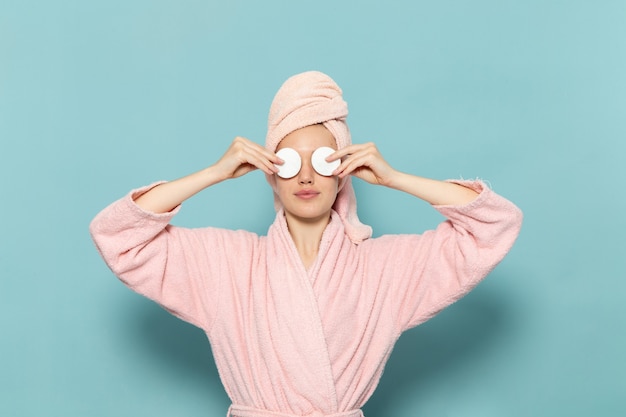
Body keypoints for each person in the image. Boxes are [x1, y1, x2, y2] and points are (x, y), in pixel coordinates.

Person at [90, 71, 523, 417]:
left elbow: (495, 224)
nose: (306, 177)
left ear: (344, 172)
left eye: (323, 161)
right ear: (269, 174)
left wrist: (396, 178)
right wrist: (213, 173)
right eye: (289, 162)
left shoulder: (386, 269)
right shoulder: (227, 264)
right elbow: (119, 236)